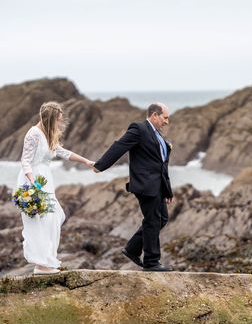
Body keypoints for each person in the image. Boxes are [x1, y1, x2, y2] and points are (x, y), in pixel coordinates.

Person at [93, 103, 174, 272]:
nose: (167, 121)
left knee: (161, 219)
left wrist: (168, 191)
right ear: (154, 115)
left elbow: (162, 165)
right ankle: (152, 262)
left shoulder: (157, 135)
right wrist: (100, 165)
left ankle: (132, 249)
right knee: (152, 221)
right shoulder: (139, 129)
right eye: (165, 117)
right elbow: (119, 146)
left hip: (158, 186)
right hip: (145, 185)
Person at [17, 102, 95, 275]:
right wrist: (33, 184)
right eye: (58, 120)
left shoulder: (48, 134)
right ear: (50, 119)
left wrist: (86, 161)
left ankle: (46, 261)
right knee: (41, 220)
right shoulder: (33, 134)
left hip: (45, 179)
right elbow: (25, 161)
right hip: (34, 181)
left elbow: (63, 152)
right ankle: (41, 265)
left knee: (54, 217)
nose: (60, 123)